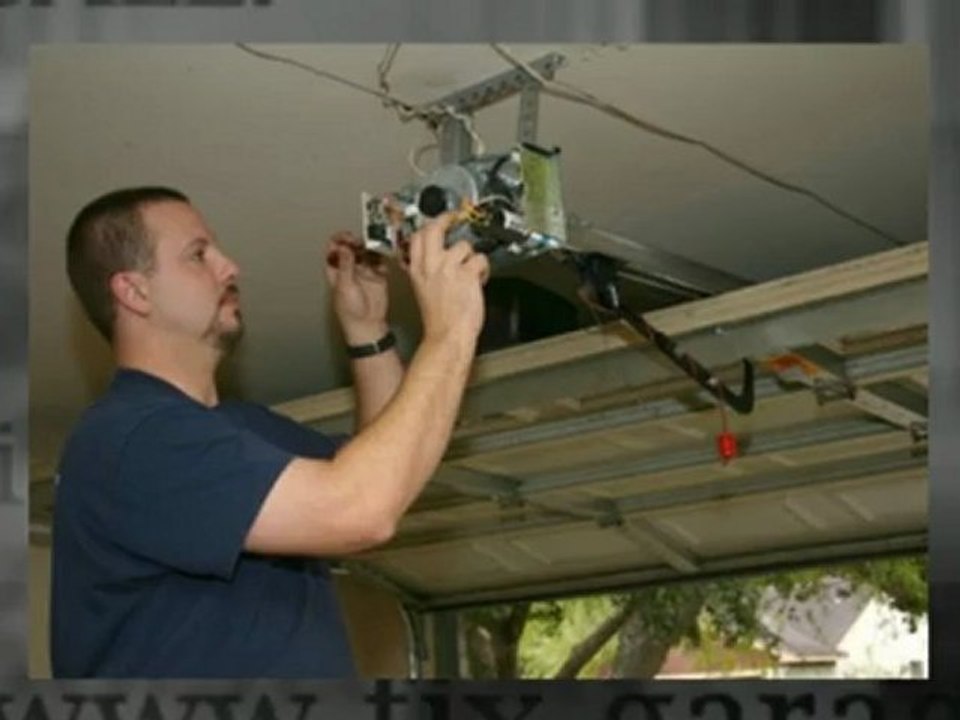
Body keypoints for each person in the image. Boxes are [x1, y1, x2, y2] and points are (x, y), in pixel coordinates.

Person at [50, 186, 489, 678]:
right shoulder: (130, 439)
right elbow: (361, 510)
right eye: (199, 255)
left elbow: (386, 475)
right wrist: (451, 331)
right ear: (134, 292)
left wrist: (367, 331)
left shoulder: (238, 430)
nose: (230, 266)